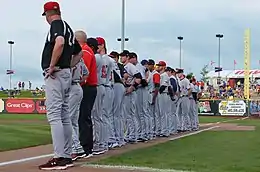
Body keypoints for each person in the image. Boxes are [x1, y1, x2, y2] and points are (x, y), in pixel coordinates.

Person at [39, 1, 82, 170]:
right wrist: (68, 66)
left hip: (56, 74)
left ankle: (60, 156)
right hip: (64, 73)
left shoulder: (57, 24)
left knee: (55, 115)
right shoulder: (68, 27)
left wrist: (52, 65)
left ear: (48, 14)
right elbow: (78, 53)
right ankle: (66, 154)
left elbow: (60, 42)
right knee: (64, 116)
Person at [75, 31, 97, 158]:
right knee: (83, 117)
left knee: (84, 117)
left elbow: (85, 74)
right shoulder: (86, 50)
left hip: (87, 87)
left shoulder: (85, 51)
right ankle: (86, 146)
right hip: (89, 87)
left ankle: (86, 147)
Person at [85, 38, 106, 155]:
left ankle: (99, 143)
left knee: (96, 117)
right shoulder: (103, 58)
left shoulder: (96, 57)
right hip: (103, 86)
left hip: (97, 85)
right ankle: (102, 142)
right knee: (100, 116)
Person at [96, 37, 116, 149]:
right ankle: (108, 139)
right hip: (107, 86)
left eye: (99, 45)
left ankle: (109, 140)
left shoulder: (103, 59)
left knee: (104, 115)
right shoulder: (108, 59)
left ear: (103, 45)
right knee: (104, 115)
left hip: (106, 85)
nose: (97, 47)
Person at [120, 50, 142, 143]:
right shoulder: (125, 66)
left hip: (131, 92)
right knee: (127, 115)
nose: (121, 57)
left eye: (123, 56)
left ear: (127, 57)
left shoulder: (130, 66)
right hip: (126, 90)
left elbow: (139, 77)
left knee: (130, 115)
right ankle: (130, 134)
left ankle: (133, 135)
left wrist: (132, 87)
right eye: (121, 56)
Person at [70, 58, 89, 161]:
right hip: (78, 87)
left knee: (67, 120)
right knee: (73, 122)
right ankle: (76, 148)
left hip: (72, 87)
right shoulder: (80, 59)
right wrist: (81, 80)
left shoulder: (71, 58)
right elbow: (86, 74)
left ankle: (76, 148)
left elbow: (71, 71)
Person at [108, 51, 126, 147]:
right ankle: (119, 139)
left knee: (112, 114)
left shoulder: (110, 62)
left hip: (115, 86)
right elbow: (124, 76)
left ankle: (113, 140)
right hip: (120, 86)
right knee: (117, 115)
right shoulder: (118, 64)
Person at [131, 54, 149, 142]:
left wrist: (134, 85)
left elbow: (143, 81)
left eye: (131, 58)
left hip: (142, 90)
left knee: (142, 112)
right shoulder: (135, 67)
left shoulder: (139, 67)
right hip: (139, 90)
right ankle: (141, 133)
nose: (130, 60)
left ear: (135, 58)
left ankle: (144, 133)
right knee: (138, 113)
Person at [156, 61, 171, 137]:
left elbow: (163, 86)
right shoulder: (160, 75)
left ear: (164, 67)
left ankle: (165, 131)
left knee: (163, 113)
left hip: (163, 93)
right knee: (159, 113)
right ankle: (160, 130)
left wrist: (157, 91)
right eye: (158, 65)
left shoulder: (165, 75)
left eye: (160, 65)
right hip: (160, 94)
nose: (158, 66)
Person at [147, 59, 160, 139]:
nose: (148, 66)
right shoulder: (150, 73)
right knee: (150, 114)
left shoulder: (155, 74)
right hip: (150, 93)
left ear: (152, 65)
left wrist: (154, 98)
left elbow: (157, 86)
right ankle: (152, 131)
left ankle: (154, 131)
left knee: (153, 114)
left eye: (149, 65)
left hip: (153, 93)